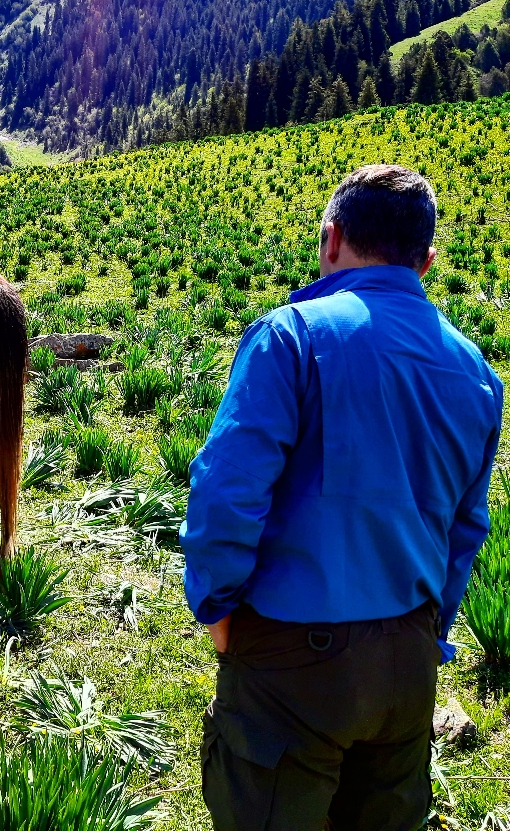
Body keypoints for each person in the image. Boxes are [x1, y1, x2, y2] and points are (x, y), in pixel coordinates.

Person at [180, 165, 503, 830]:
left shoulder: (292, 335)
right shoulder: (476, 371)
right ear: (428, 260)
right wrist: (426, 634)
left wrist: (216, 606)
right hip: (409, 657)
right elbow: (466, 528)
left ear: (332, 240)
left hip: (293, 657)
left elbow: (226, 489)